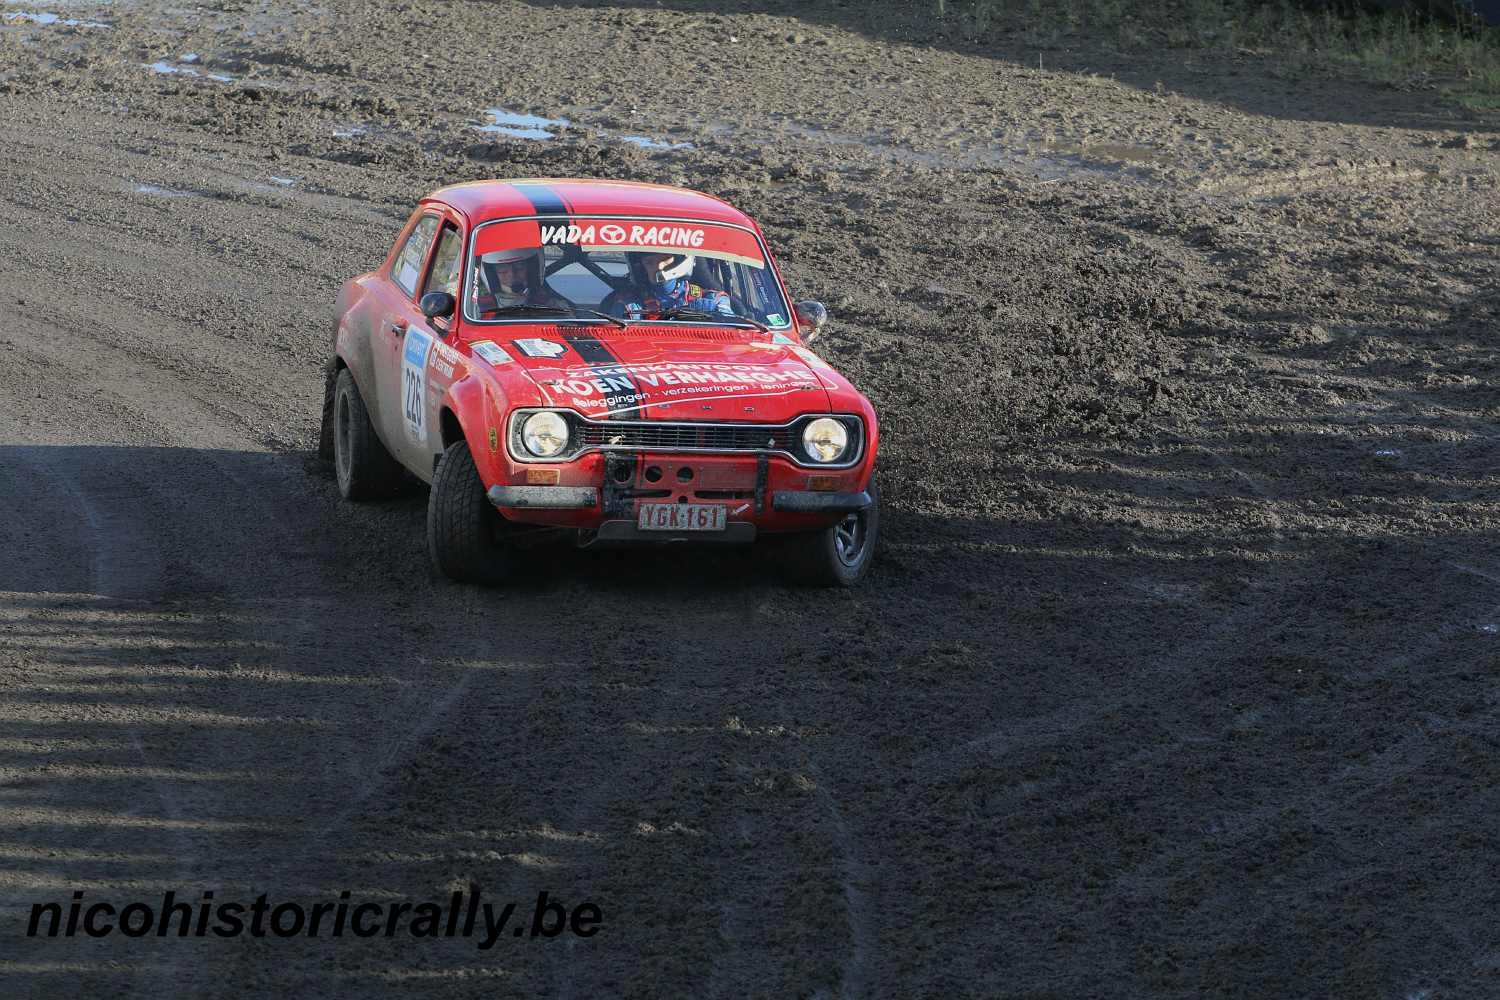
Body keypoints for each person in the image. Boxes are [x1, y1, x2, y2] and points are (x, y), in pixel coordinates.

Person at [603, 251, 734, 320]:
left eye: (665, 259)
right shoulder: (629, 306)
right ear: (641, 268)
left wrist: (712, 316)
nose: (658, 267)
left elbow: (734, 337)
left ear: (680, 260)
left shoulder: (713, 300)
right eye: (650, 262)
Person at [472, 247, 570, 315]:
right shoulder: (477, 309)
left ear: (532, 270)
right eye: (502, 268)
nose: (512, 275)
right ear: (491, 274)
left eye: (519, 266)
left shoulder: (552, 307)